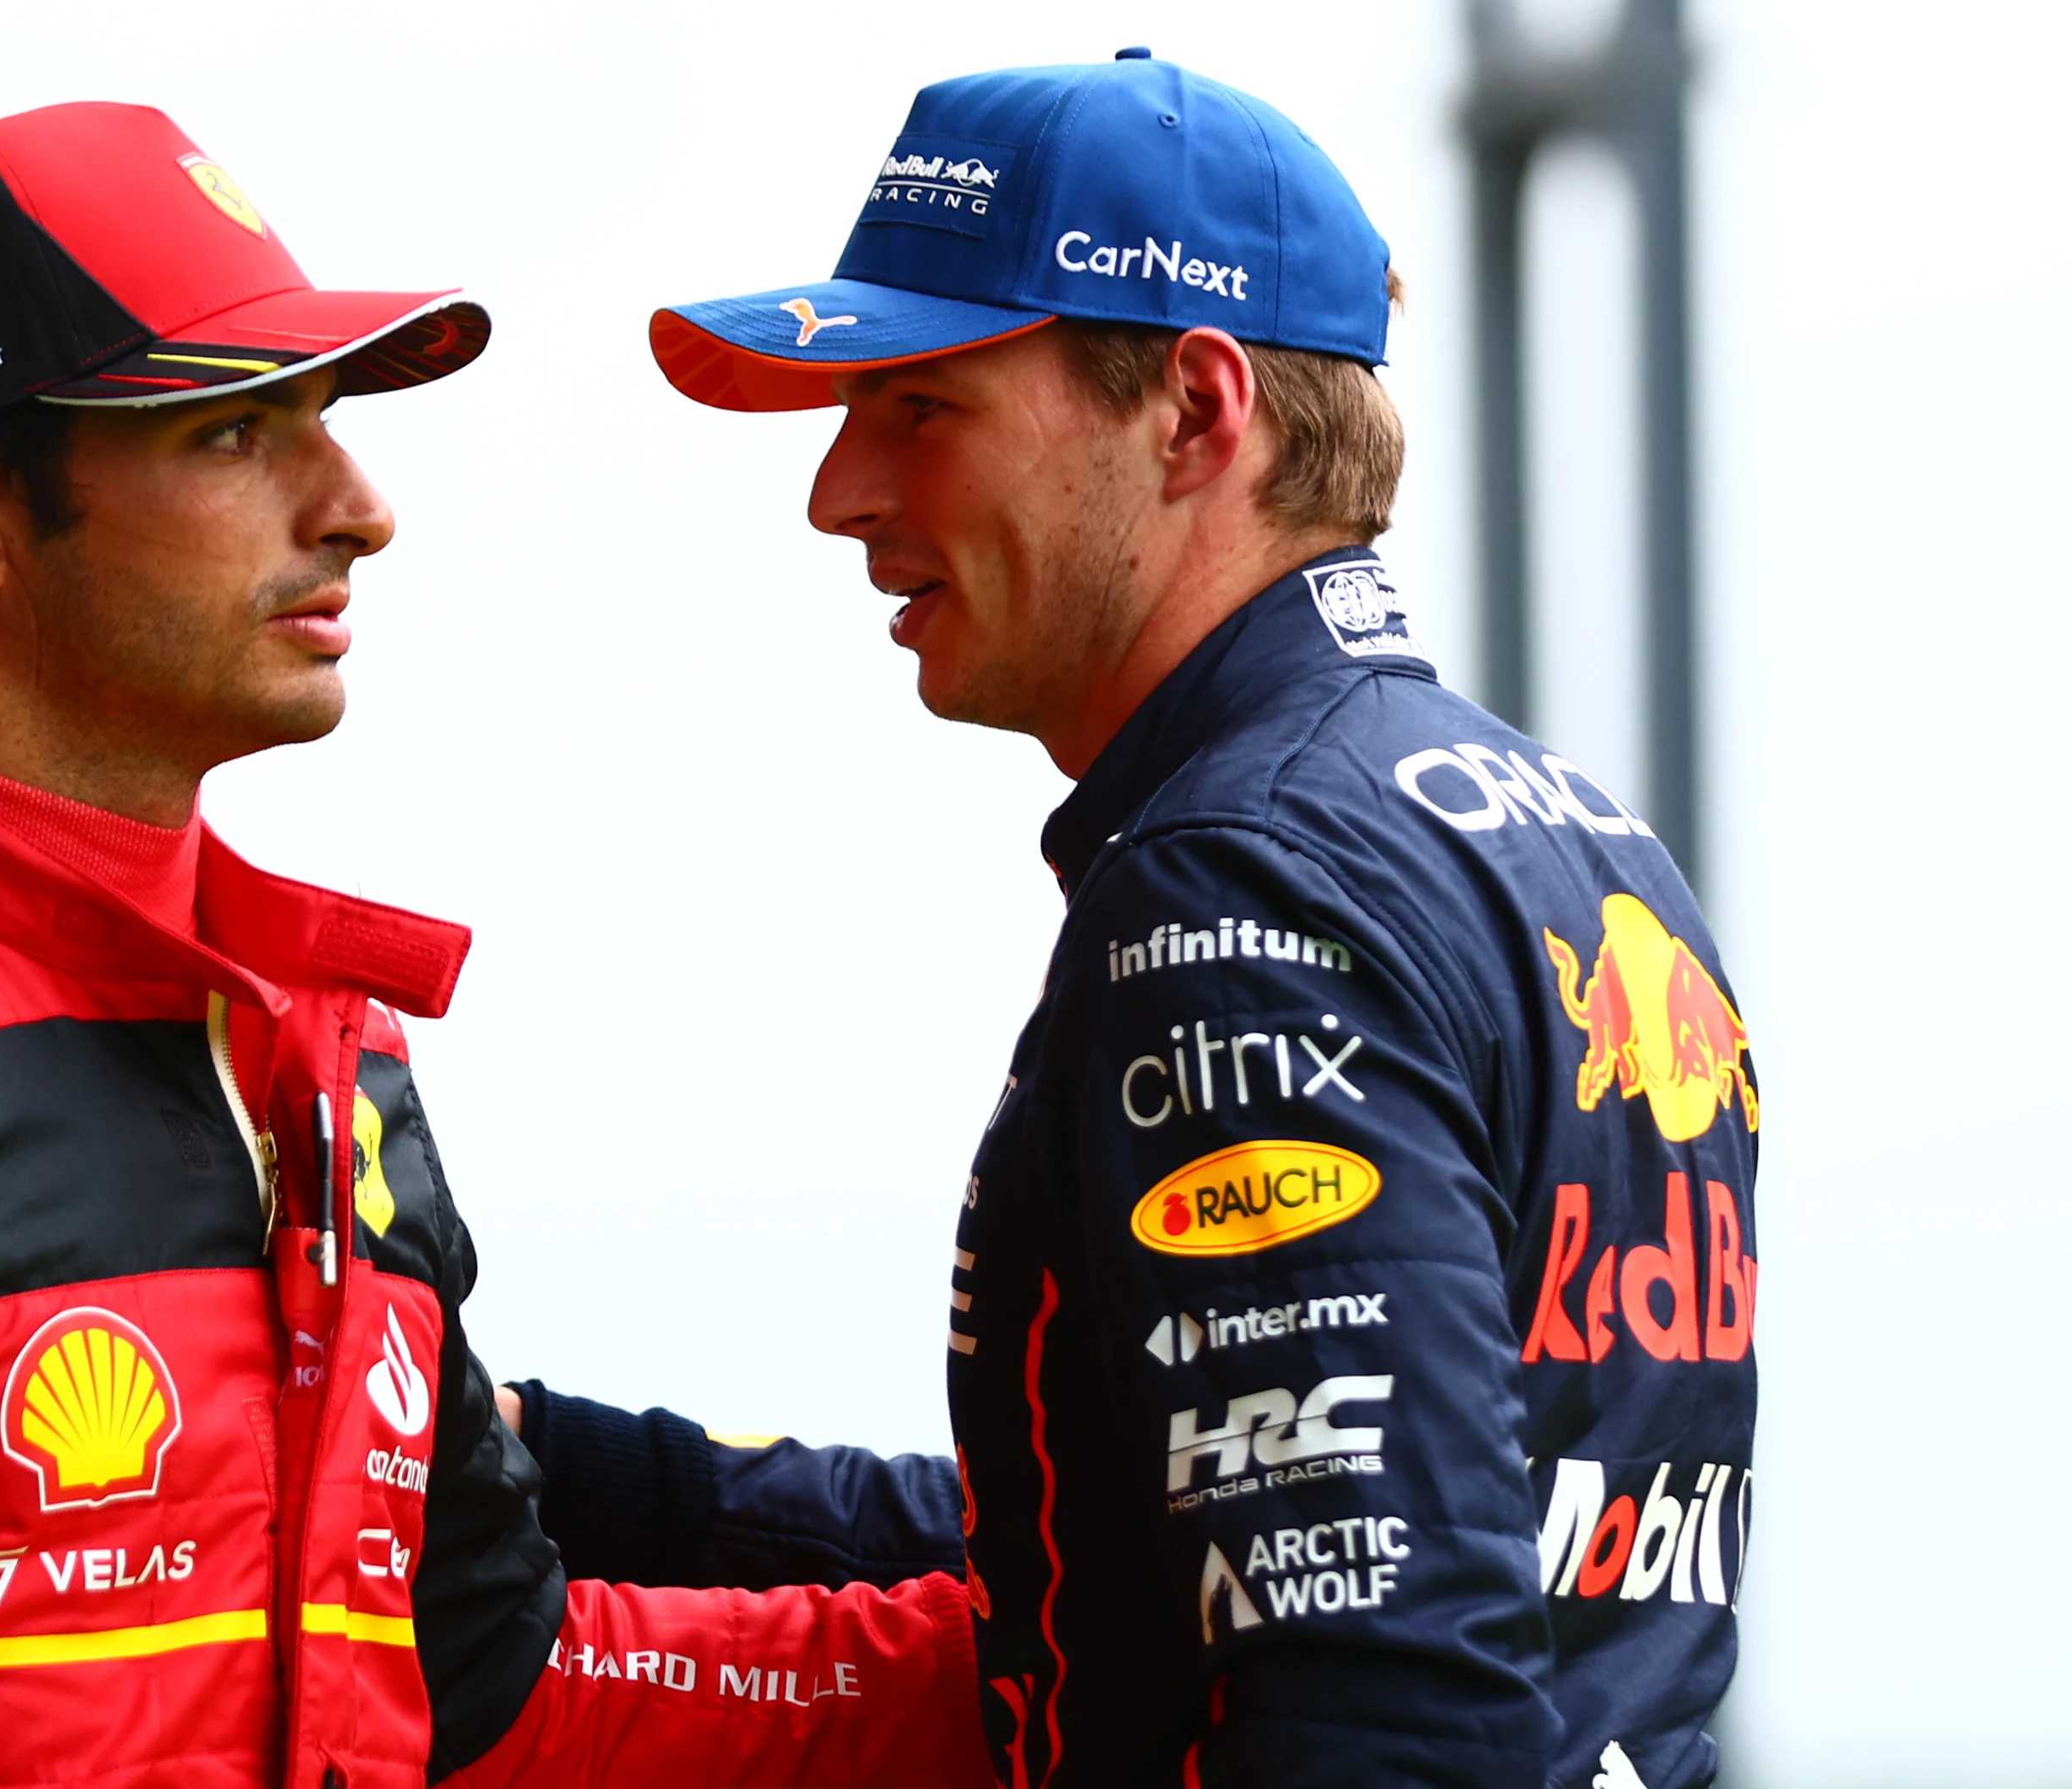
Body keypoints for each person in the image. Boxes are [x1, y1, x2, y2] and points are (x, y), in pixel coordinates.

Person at [0, 102, 988, 1789]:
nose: (356, 505)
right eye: (233, 432)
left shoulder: (314, 1043)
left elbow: (488, 1693)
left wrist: (1096, 1648)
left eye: (328, 420)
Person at [507, 53, 1759, 1789]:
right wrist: (560, 1466)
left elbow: (1380, 1685)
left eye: (921, 403)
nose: (839, 491)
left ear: (1192, 408)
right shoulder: (1567, 837)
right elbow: (1169, 1524)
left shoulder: (1237, 880)